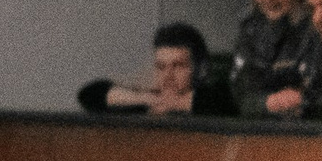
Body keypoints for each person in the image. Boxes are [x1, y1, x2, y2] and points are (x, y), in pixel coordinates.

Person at [77, 21, 236, 117]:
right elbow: (90, 94)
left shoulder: (217, 97)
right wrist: (145, 98)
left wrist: (176, 103)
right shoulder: (149, 101)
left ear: (200, 68)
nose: (167, 76)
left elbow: (225, 103)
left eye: (178, 66)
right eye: (160, 67)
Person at [232, 0, 313, 118]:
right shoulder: (250, 32)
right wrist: (269, 103)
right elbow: (242, 96)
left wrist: (304, 100)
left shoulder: (320, 29)